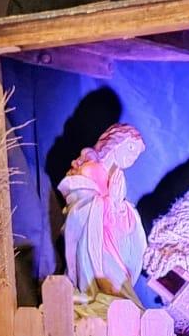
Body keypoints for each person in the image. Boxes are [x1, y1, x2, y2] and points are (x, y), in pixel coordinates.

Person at [58, 124, 148, 304]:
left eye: (136, 154)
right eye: (130, 148)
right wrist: (110, 200)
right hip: (94, 246)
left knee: (120, 283)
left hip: (110, 244)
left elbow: (116, 221)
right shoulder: (91, 169)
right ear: (116, 142)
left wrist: (118, 205)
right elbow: (80, 210)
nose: (132, 157)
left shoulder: (116, 177)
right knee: (115, 284)